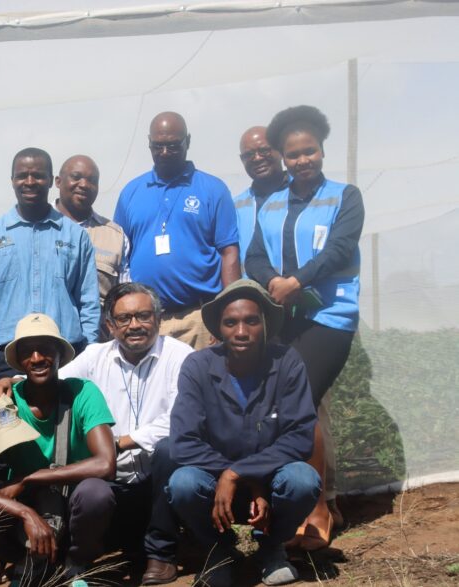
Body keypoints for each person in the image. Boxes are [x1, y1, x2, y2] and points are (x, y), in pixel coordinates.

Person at [0, 283, 192, 585]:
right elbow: (50, 374)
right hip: (110, 484)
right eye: (124, 318)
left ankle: (161, 556)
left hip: (154, 481)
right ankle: (71, 560)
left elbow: (181, 418)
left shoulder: (181, 356)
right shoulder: (96, 356)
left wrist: (120, 442)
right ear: (109, 326)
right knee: (98, 502)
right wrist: (9, 379)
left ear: (158, 319)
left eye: (143, 316)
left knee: (169, 449)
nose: (134, 325)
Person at [246, 105, 364, 550]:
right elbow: (255, 255)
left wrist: (299, 279)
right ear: (281, 156)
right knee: (278, 409)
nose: (302, 160)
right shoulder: (272, 203)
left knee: (303, 401)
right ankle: (295, 503)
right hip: (285, 318)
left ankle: (315, 510)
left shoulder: (345, 196)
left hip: (329, 319)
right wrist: (273, 282)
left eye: (309, 151)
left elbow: (339, 249)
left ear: (321, 149)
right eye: (293, 154)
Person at [168, 279, 320, 587]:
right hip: (217, 488)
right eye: (230, 322)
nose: (241, 331)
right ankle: (219, 549)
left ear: (265, 324)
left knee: (302, 480)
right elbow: (183, 442)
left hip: (271, 485)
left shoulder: (287, 362)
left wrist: (242, 474)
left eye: (251, 321)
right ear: (219, 329)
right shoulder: (197, 366)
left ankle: (271, 547)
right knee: (183, 484)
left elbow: (300, 436)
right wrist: (237, 477)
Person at [0, 313, 117, 586]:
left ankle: (74, 564)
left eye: (46, 349)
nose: (37, 358)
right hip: (24, 512)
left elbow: (105, 464)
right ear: (20, 361)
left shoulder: (83, 392)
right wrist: (24, 513)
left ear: (60, 354)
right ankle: (16, 558)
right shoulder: (5, 402)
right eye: (28, 352)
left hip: (71, 506)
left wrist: (29, 478)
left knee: (96, 493)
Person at [0, 147, 100, 394]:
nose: (29, 182)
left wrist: (89, 357)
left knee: (66, 432)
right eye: (22, 175)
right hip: (9, 358)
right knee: (12, 432)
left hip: (66, 356)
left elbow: (88, 302)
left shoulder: (75, 236)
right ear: (12, 181)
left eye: (38, 175)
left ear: (51, 180)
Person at [113, 112, 241, 349]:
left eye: (172, 146)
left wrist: (229, 312)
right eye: (157, 146)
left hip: (198, 318)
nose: (164, 153)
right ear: (149, 143)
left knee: (203, 385)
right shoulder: (131, 192)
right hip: (145, 321)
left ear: (187, 142)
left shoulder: (212, 189)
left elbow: (229, 252)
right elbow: (120, 257)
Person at [54, 154, 128, 340]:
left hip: (98, 343)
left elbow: (125, 294)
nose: (84, 184)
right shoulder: (37, 227)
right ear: (58, 181)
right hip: (50, 342)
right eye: (76, 177)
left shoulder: (115, 235)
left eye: (92, 180)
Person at [234, 127, 287, 273]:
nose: (257, 158)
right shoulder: (235, 207)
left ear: (281, 150)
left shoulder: (303, 197)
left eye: (264, 150)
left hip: (293, 290)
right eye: (249, 155)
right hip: (249, 292)